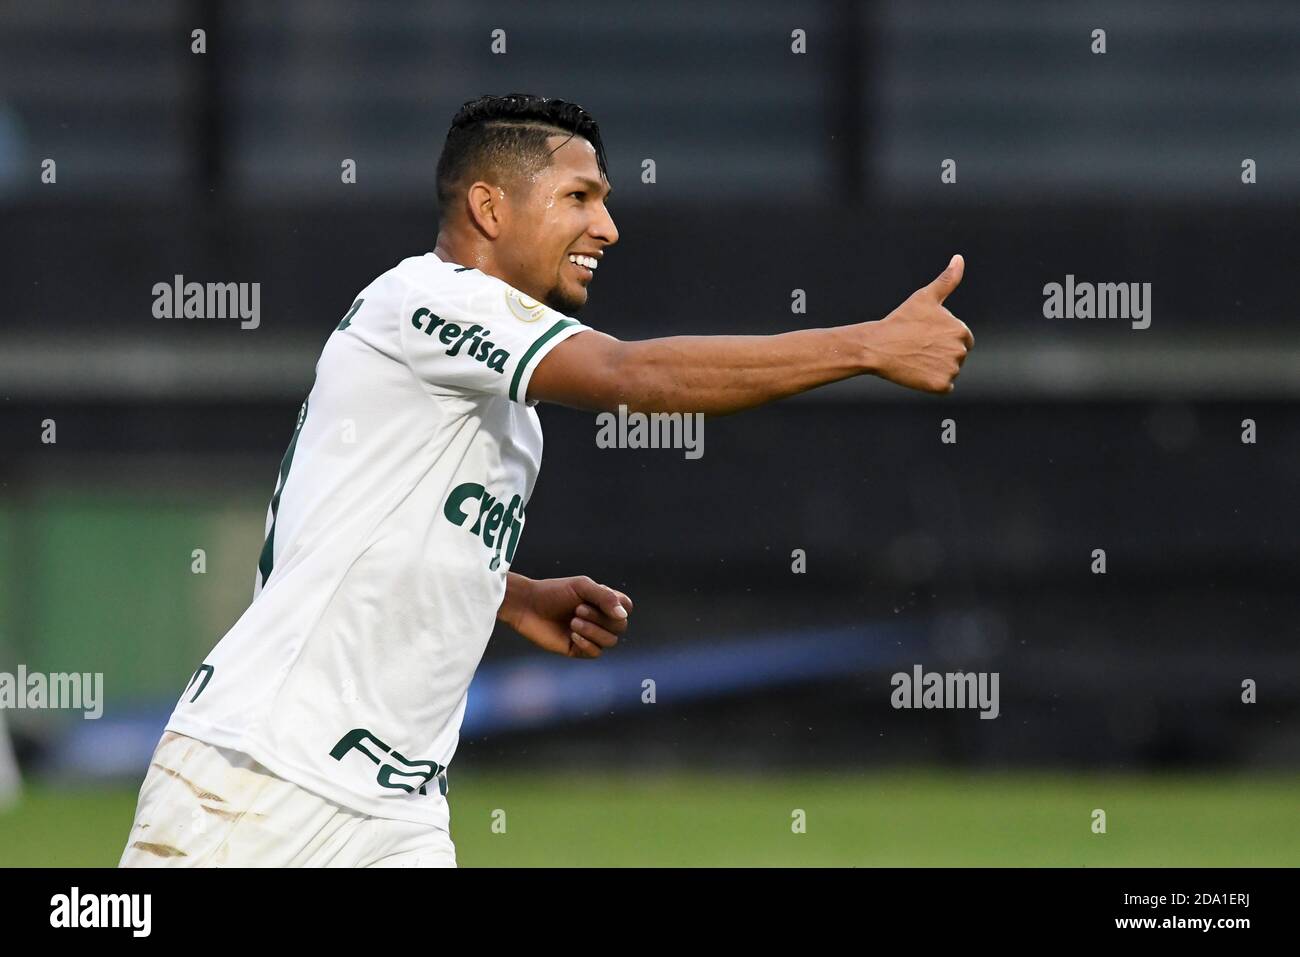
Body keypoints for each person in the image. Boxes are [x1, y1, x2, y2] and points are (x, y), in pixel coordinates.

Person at [119, 93, 971, 868]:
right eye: (580, 197)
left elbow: (355, 522)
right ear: (489, 206)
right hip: (258, 776)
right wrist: (864, 346)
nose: (608, 226)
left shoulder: (508, 407)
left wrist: (509, 593)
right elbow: (633, 375)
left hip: (397, 807)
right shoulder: (424, 296)